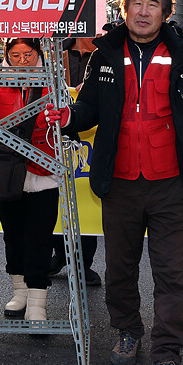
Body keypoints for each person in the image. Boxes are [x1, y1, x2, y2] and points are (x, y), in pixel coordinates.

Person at [55, 0, 183, 365]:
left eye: (153, 3)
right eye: (135, 2)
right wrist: (66, 117)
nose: (143, 10)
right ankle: (127, 332)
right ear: (124, 9)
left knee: (173, 274)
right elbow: (89, 109)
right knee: (120, 268)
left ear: (166, 12)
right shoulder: (105, 55)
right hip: (118, 182)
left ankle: (166, 356)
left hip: (172, 183)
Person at [0, 38, 68, 320]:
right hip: (6, 171)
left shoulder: (54, 74)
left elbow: (70, 114)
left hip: (44, 170)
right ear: (7, 54)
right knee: (12, 234)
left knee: (40, 236)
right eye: (16, 54)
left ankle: (37, 302)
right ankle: (19, 292)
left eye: (28, 54)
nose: (23, 60)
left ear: (39, 52)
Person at [51, 33, 102, 284]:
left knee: (83, 201)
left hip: (89, 137)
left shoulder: (104, 55)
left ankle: (84, 263)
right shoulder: (59, 53)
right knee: (55, 197)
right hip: (57, 130)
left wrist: (92, 89)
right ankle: (59, 255)